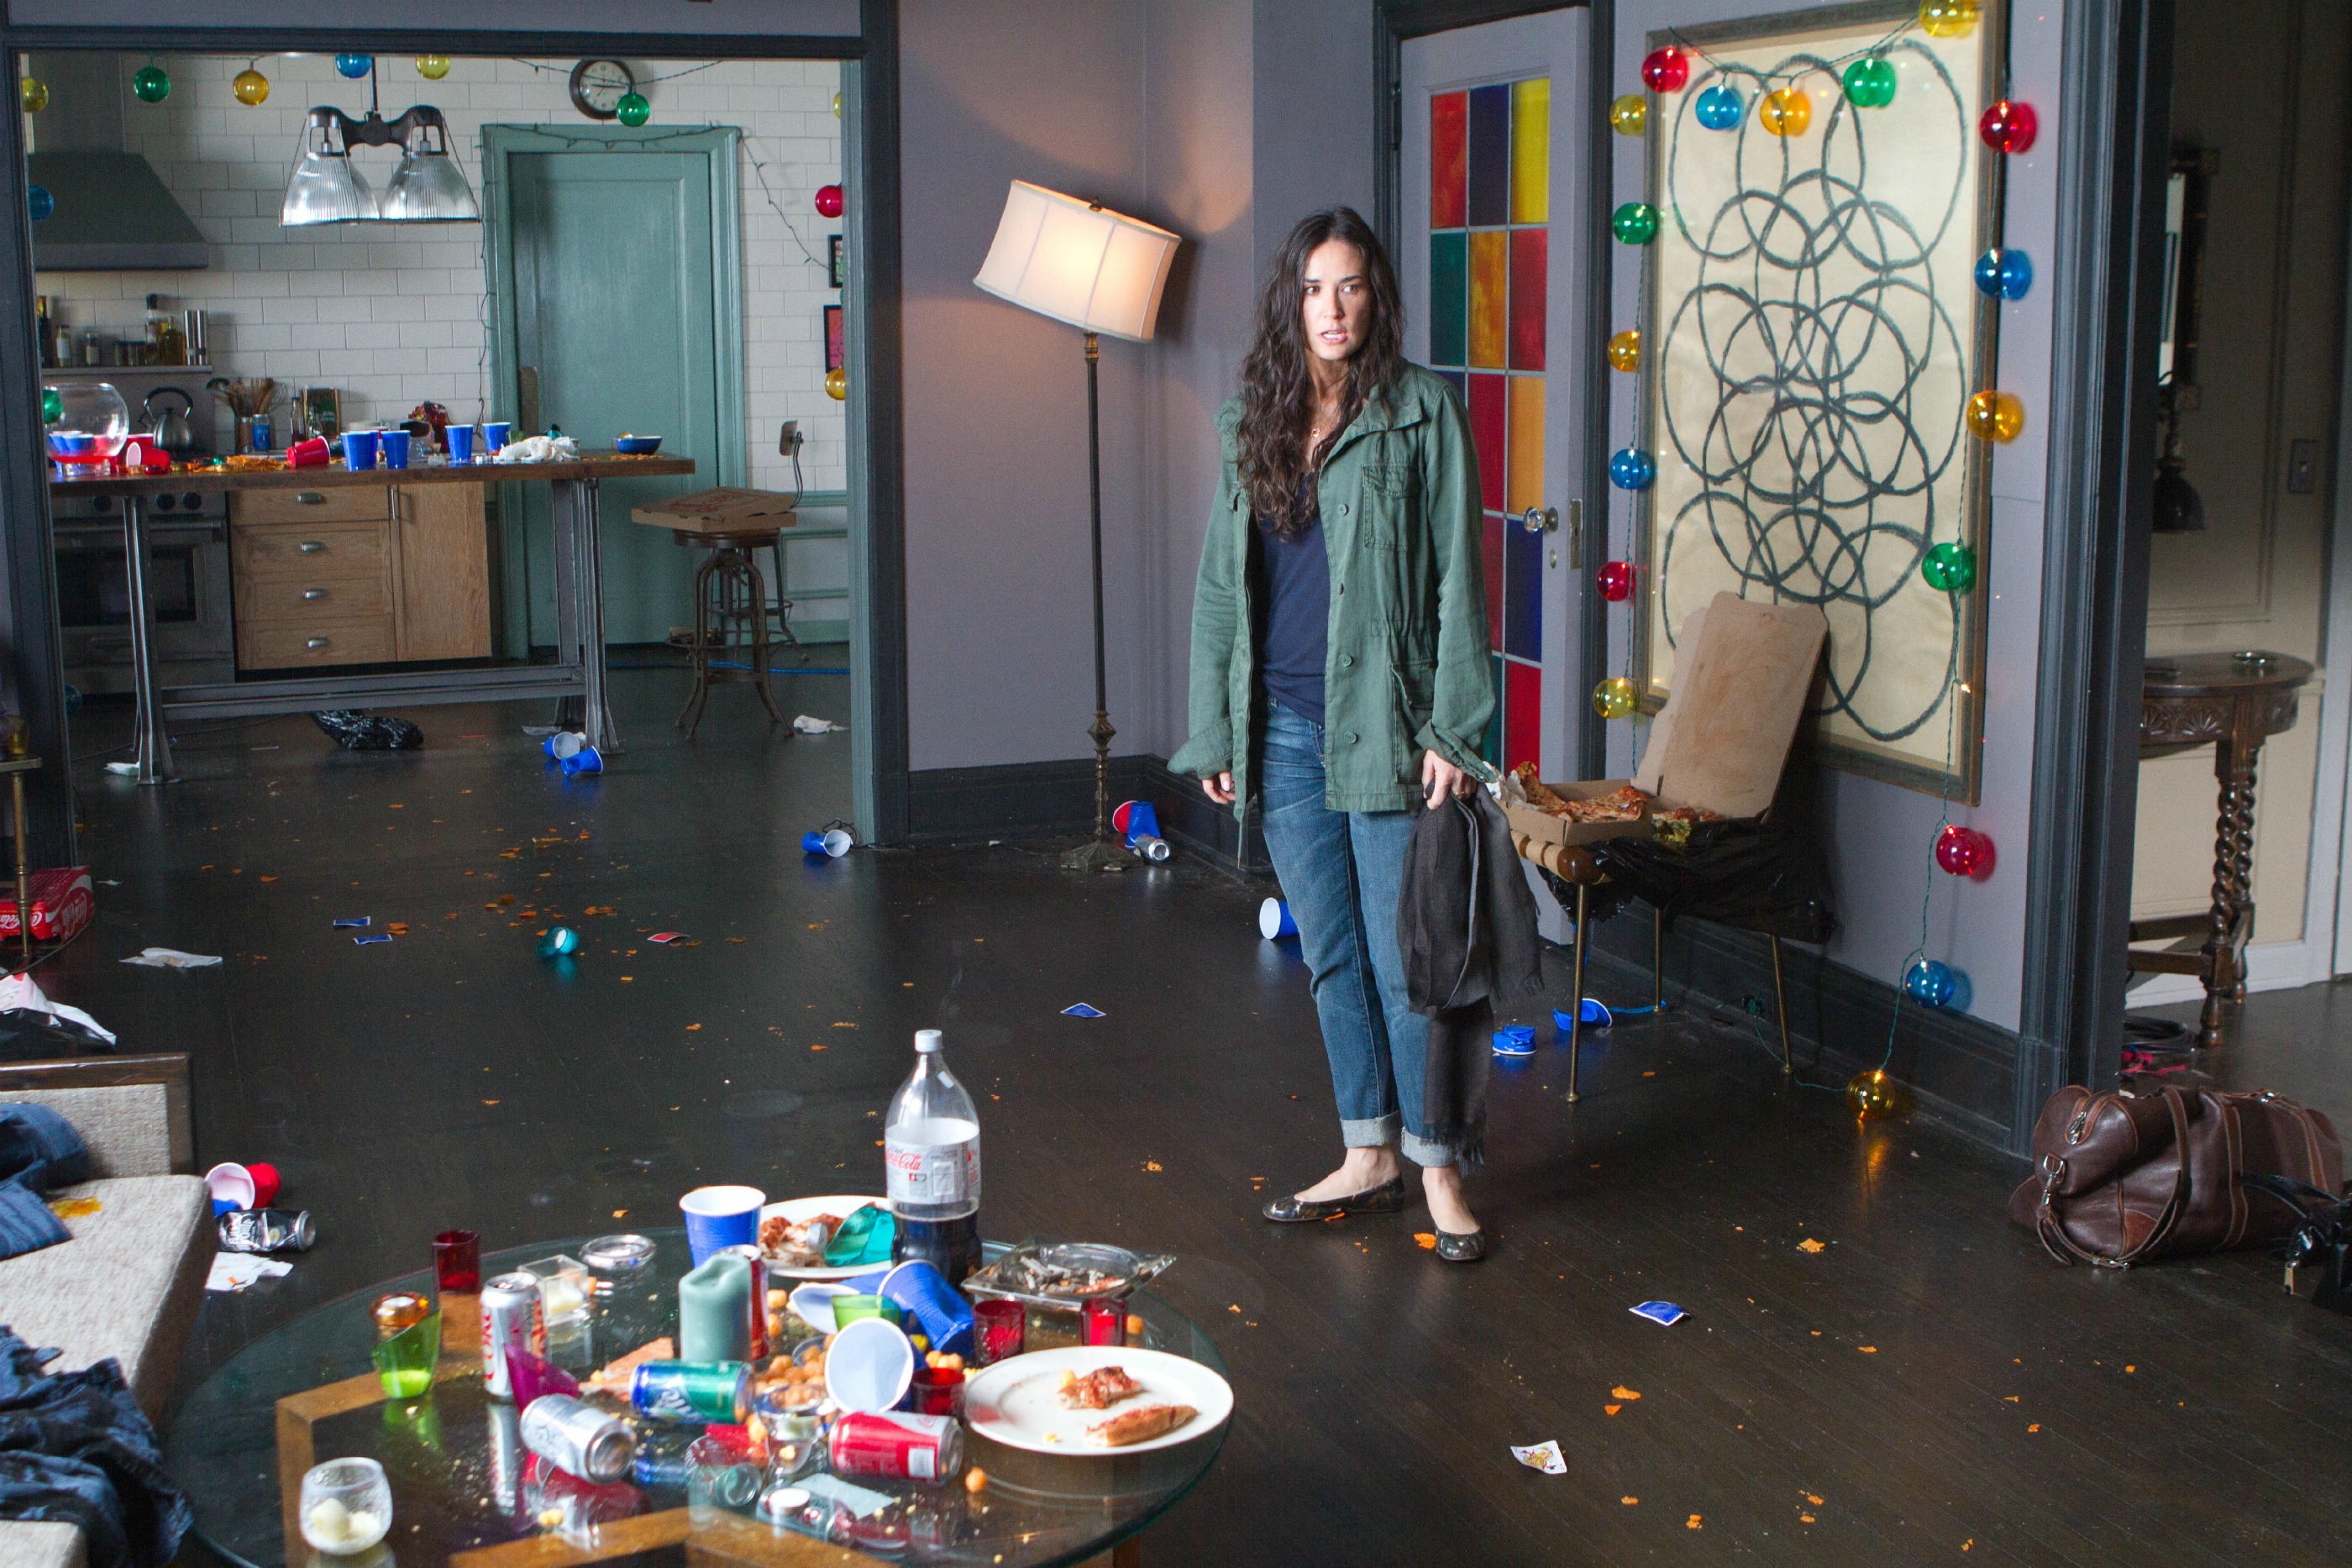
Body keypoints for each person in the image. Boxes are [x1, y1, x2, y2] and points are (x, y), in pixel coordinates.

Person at [1168, 207, 1494, 1262]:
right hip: (1281, 727)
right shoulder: (1251, 421)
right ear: (1290, 302)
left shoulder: (1421, 413)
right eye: (1313, 288)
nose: (1332, 308)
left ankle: (1436, 1163)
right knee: (1331, 956)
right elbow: (1221, 588)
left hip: (1388, 728)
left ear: (1375, 298)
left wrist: (1456, 728)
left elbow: (1459, 579)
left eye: (1350, 285)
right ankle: (1367, 1150)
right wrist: (1216, 729)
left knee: (1410, 960)